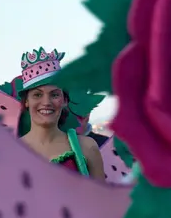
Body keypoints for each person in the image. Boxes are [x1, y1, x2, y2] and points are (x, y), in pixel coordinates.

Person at [18, 47, 105, 180]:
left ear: (64, 100)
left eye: (54, 95)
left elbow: (102, 200)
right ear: (26, 102)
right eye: (37, 95)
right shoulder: (11, 151)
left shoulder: (87, 147)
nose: (46, 102)